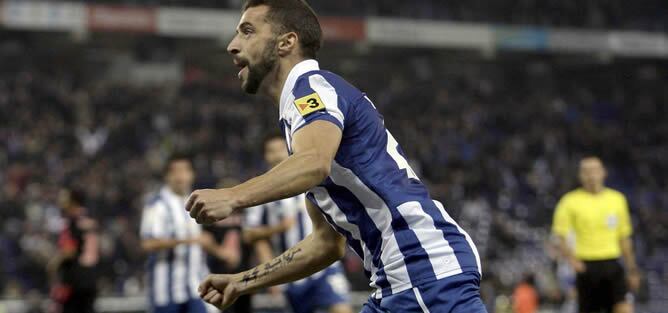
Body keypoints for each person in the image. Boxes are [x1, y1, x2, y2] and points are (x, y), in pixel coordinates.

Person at [185, 1, 486, 312]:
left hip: (423, 270)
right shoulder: (303, 121)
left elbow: (314, 163)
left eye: (247, 31)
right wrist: (242, 281)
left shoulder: (311, 91)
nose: (233, 46)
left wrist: (232, 196)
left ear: (287, 42)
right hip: (403, 278)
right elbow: (325, 244)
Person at [243, 133, 353, 313]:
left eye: (281, 149)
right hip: (290, 270)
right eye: (272, 151)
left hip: (325, 266)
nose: (277, 155)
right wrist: (277, 230)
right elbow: (250, 235)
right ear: (265, 156)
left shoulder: (313, 179)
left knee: (341, 308)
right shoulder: (259, 192)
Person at [140, 153, 239, 313]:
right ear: (167, 176)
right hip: (166, 290)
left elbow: (202, 241)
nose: (180, 176)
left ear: (192, 174)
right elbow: (148, 243)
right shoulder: (157, 205)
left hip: (196, 286)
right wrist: (189, 241)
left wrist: (221, 253)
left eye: (185, 171)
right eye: (175, 171)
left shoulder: (196, 202)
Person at [552, 156, 640, 313]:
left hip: (612, 264)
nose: (591, 175)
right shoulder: (570, 201)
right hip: (587, 266)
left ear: (603, 173)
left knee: (625, 309)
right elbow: (559, 236)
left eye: (594, 170)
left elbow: (624, 238)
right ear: (580, 176)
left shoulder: (617, 199)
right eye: (586, 171)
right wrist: (572, 260)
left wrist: (632, 269)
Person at [47, 188, 100, 313]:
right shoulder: (90, 219)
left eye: (64, 197)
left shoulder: (72, 221)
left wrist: (54, 263)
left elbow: (69, 250)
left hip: (74, 280)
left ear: (73, 201)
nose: (60, 200)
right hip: (90, 279)